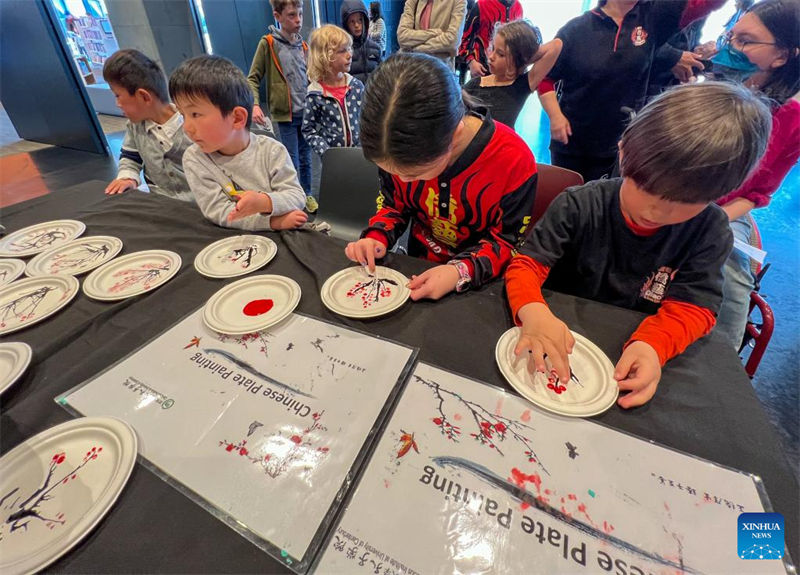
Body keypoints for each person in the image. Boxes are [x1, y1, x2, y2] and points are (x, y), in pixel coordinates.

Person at [506, 82, 771, 409]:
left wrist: (652, 346)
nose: (655, 210)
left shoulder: (710, 230)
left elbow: (695, 306)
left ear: (719, 195)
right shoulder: (580, 204)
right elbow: (527, 264)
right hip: (558, 336)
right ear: (623, 153)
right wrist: (532, 308)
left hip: (628, 351)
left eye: (683, 203)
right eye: (644, 187)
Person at [344, 53, 538, 301]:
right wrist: (376, 237)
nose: (403, 181)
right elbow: (394, 205)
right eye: (393, 173)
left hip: (481, 288)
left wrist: (458, 272)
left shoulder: (513, 161)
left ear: (454, 135)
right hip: (416, 268)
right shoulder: (392, 144)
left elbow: (507, 242)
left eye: (415, 174)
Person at [534, 0, 725, 183]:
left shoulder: (653, 18)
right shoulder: (575, 30)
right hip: (572, 139)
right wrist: (556, 116)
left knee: (604, 195)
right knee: (566, 193)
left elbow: (704, 4)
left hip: (619, 142)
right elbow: (545, 77)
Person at [710, 0, 800, 348]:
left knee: (730, 268)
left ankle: (723, 356)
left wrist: (710, 219)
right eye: (730, 37)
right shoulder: (723, 84)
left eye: (745, 41)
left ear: (781, 56)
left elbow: (757, 192)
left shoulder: (790, 115)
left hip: (725, 207)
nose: (732, 48)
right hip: (681, 189)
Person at [171, 55, 307, 231]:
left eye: (195, 114)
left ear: (237, 118)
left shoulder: (272, 151)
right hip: (237, 237)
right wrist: (272, 222)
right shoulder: (194, 159)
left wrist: (265, 202)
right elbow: (218, 211)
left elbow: (296, 196)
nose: (186, 127)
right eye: (182, 115)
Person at [247, 0, 315, 212]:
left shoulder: (303, 46)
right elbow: (252, 78)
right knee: (290, 160)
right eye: (292, 15)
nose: (298, 20)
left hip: (305, 113)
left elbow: (311, 78)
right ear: (277, 16)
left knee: (306, 158)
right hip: (285, 116)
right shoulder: (268, 44)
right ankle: (293, 197)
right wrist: (255, 105)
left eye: (300, 14)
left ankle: (307, 194)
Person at [102, 49, 193, 202]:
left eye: (118, 95)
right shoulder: (135, 126)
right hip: (160, 203)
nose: (117, 104)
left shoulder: (192, 126)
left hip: (199, 206)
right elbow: (130, 157)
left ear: (144, 96)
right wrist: (127, 177)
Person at [463, 19, 545, 128]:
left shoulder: (522, 85)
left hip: (500, 139)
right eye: (493, 49)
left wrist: (522, 61)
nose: (491, 57)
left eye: (501, 54)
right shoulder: (475, 84)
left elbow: (556, 45)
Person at [302, 25, 365, 157]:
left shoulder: (356, 86)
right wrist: (326, 152)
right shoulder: (315, 94)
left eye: (349, 49)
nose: (350, 55)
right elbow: (308, 129)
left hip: (360, 154)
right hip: (333, 159)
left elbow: (368, 117)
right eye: (342, 51)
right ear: (325, 57)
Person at [459, 0, 523, 79]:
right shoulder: (482, 4)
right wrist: (471, 61)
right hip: (482, 68)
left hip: (507, 71)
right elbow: (464, 37)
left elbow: (518, 41)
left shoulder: (518, 7)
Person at [397, 0, 466, 70]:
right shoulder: (412, 1)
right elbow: (402, 36)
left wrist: (412, 49)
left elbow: (452, 41)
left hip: (439, 70)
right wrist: (435, 33)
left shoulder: (458, 1)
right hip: (408, 67)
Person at [341, 0, 382, 83]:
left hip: (372, 90)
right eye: (352, 21)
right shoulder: (342, 51)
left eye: (360, 20)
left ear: (365, 22)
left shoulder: (375, 48)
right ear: (346, 25)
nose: (356, 25)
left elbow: (382, 75)